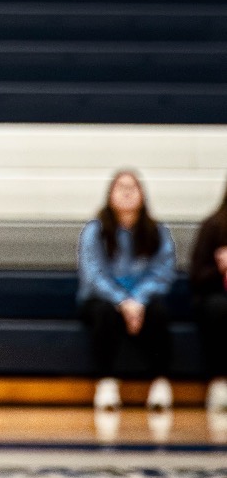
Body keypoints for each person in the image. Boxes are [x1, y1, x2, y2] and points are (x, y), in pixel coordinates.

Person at [77, 171, 178, 415]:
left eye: (133, 187)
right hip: (103, 299)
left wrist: (138, 301)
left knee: (159, 312)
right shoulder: (94, 231)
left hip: (141, 300)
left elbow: (162, 272)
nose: (126, 192)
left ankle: (160, 383)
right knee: (104, 313)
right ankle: (107, 383)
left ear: (142, 195)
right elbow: (93, 275)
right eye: (120, 187)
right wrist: (122, 302)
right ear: (110, 195)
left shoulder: (156, 232)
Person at [188, 180, 227, 417]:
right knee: (218, 307)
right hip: (216, 297)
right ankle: (220, 382)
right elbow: (197, 277)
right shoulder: (213, 226)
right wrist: (220, 268)